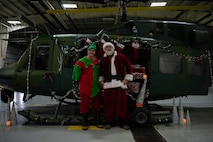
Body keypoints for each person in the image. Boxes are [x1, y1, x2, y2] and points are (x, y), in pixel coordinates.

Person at [99, 42, 133, 130]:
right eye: (107, 48)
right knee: (108, 104)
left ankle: (122, 122)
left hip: (119, 83)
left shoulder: (121, 57)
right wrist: (101, 81)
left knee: (121, 104)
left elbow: (129, 67)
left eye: (110, 47)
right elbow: (101, 72)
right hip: (108, 84)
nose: (109, 49)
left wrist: (127, 79)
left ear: (113, 48)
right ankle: (109, 122)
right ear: (104, 49)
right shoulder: (103, 59)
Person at [72, 43, 103, 130]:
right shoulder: (81, 62)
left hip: (95, 87)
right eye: (90, 50)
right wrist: (76, 79)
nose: (91, 52)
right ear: (87, 51)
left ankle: (98, 121)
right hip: (85, 87)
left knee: (96, 105)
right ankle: (85, 122)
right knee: (84, 105)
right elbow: (76, 75)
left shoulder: (97, 61)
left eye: (93, 51)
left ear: (95, 52)